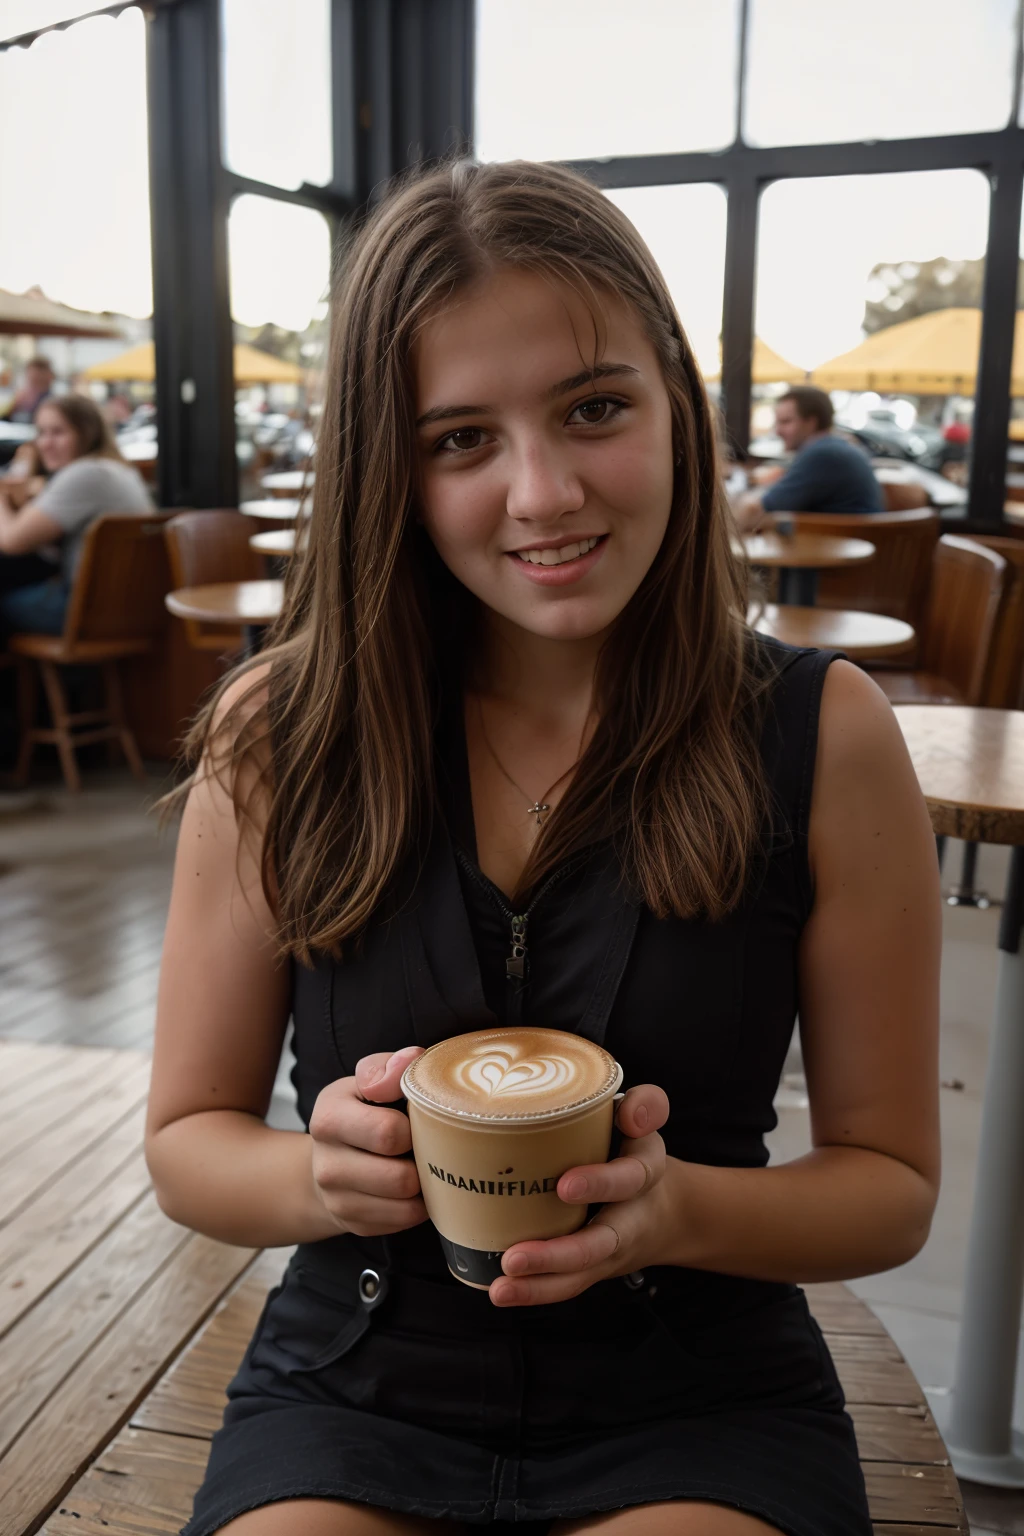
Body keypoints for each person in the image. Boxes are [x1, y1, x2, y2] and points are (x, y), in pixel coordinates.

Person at [148, 160, 941, 1536]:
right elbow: (186, 1143)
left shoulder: (825, 734)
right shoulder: (277, 737)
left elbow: (892, 1191)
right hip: (354, 1386)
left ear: (676, 407)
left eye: (594, 409)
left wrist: (671, 1213)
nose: (542, 492)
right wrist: (317, 1178)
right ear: (388, 469)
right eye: (459, 439)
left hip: (698, 1398)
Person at [0, 394, 152, 636]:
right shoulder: (117, 468)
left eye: (58, 432)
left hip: (85, 612)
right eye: (41, 432)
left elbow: (11, 541)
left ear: (86, 433)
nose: (45, 443)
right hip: (128, 609)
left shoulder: (85, 473)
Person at [733, 386, 884, 531]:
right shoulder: (836, 447)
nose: (777, 431)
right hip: (852, 545)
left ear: (811, 422)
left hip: (842, 549)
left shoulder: (822, 454)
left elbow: (755, 508)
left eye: (786, 422)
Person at [1, 357, 54, 423]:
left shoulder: (52, 401)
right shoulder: (20, 396)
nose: (33, 387)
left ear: (49, 377)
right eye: (31, 380)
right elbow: (4, 416)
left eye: (38, 381)